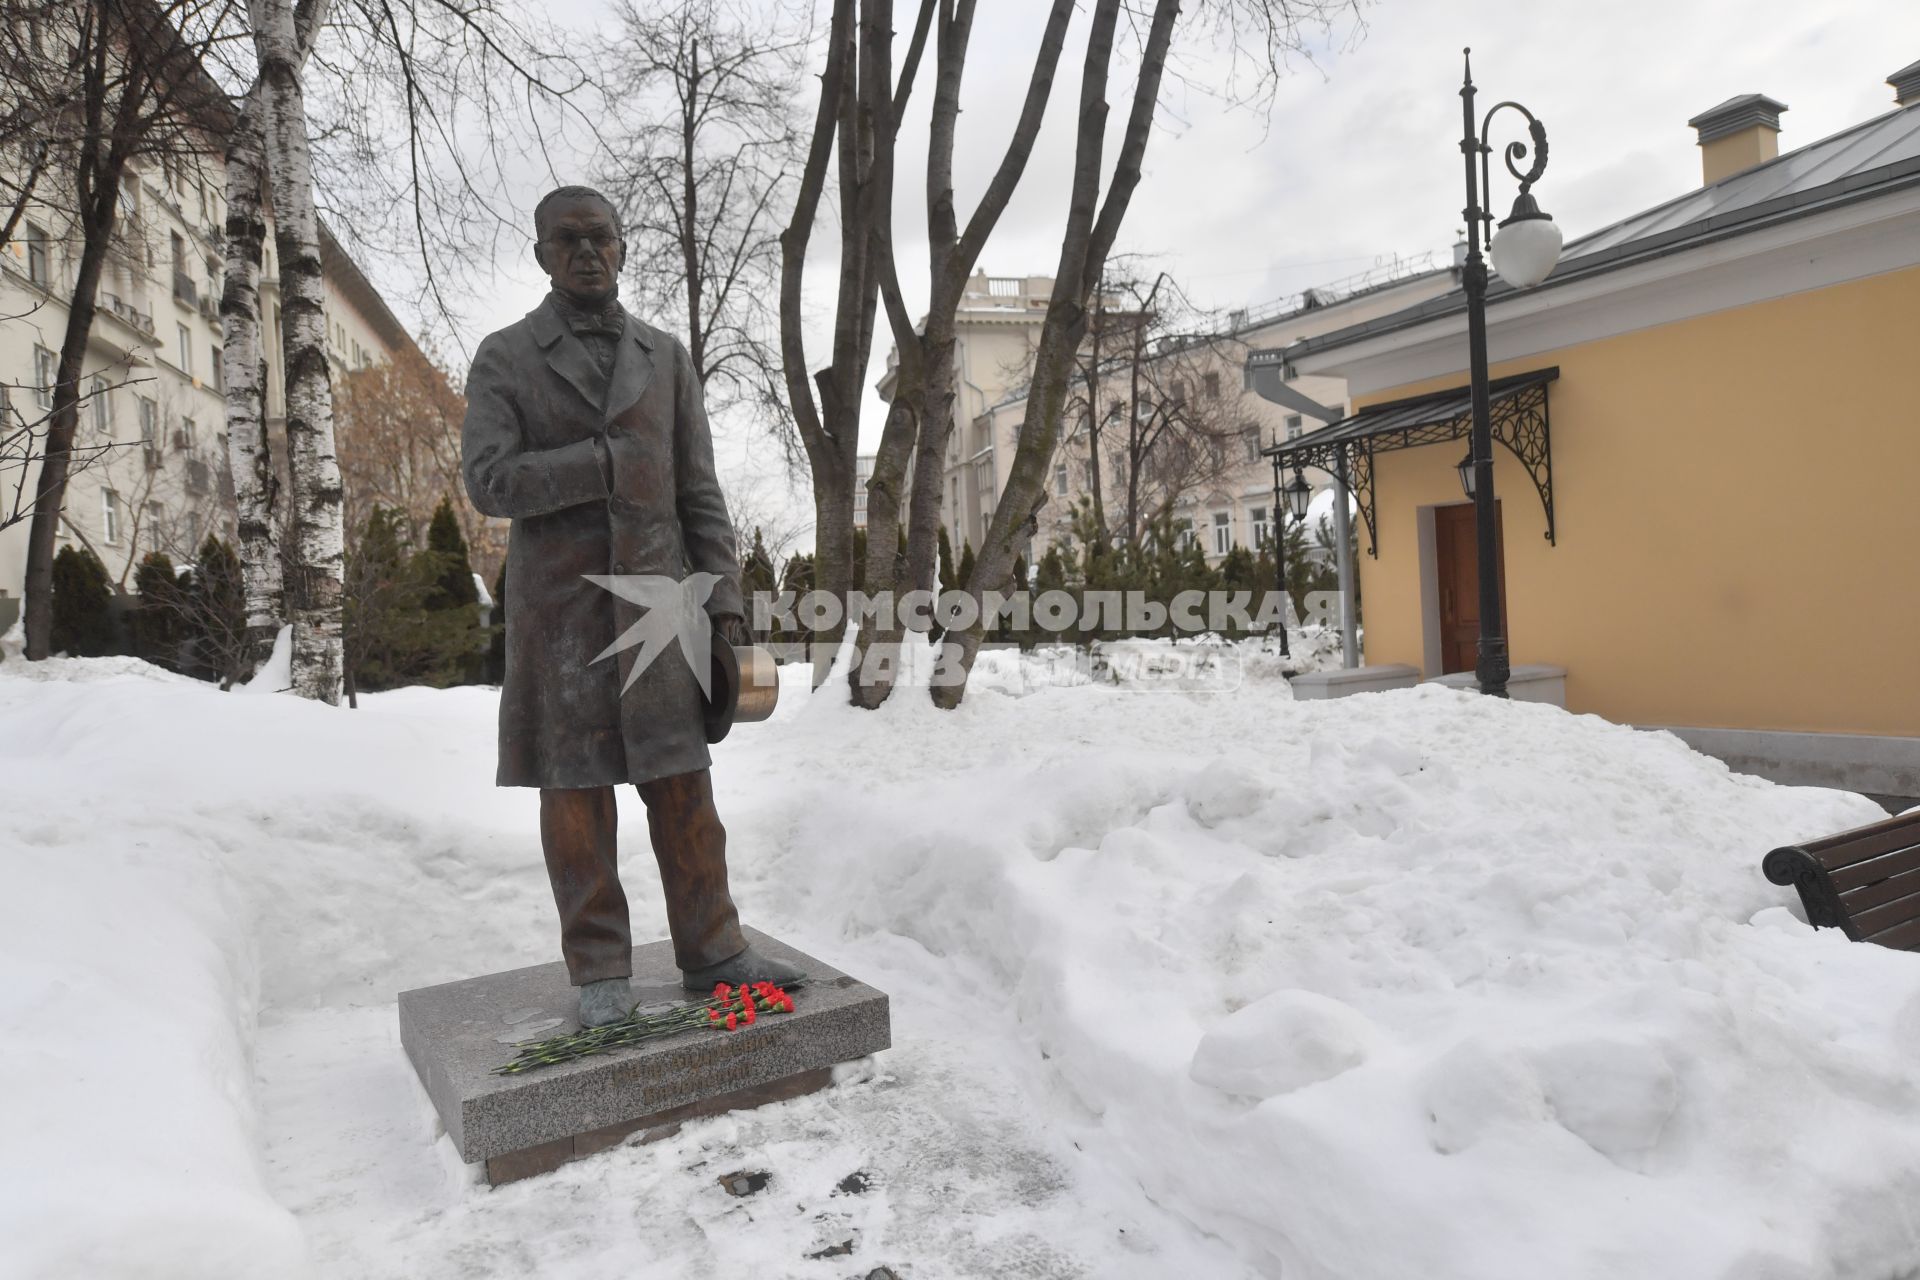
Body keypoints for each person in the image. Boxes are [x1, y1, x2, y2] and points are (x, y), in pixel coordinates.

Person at [461, 184, 801, 1028]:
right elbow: (489, 483)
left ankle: (715, 950)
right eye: (567, 240)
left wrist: (726, 611)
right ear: (542, 255)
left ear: (622, 247)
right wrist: (597, 464)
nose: (586, 252)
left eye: (601, 237)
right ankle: (600, 971)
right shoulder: (506, 358)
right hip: (562, 620)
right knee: (575, 798)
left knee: (684, 786)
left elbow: (701, 496)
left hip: (661, 611)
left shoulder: (666, 358)